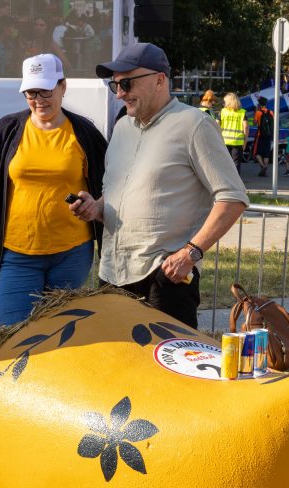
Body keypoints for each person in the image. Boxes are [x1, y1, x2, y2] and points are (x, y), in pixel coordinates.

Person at [70, 43, 248, 329]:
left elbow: (233, 198)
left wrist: (191, 252)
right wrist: (95, 207)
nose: (119, 93)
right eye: (115, 84)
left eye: (127, 83)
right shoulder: (123, 128)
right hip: (113, 273)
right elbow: (120, 196)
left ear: (159, 80)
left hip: (165, 278)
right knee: (118, 368)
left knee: (165, 372)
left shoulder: (194, 125)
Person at [0, 53, 107, 325]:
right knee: (12, 337)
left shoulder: (84, 133)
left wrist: (95, 205)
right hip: (17, 255)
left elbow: (112, 183)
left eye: (45, 90)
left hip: (71, 254)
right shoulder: (6, 130)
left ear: (63, 87)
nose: (38, 99)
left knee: (63, 337)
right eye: (30, 92)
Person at [219, 92, 248, 172]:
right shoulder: (242, 112)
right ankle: (236, 182)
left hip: (224, 141)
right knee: (236, 163)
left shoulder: (223, 111)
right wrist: (245, 142)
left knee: (224, 162)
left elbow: (216, 124)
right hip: (237, 142)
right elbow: (245, 127)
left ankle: (225, 181)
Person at [253, 97, 274, 177]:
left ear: (259, 104)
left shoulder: (258, 113)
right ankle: (265, 170)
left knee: (257, 153)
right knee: (266, 154)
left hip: (260, 135)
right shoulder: (271, 112)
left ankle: (263, 166)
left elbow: (255, 122)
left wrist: (256, 111)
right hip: (268, 136)